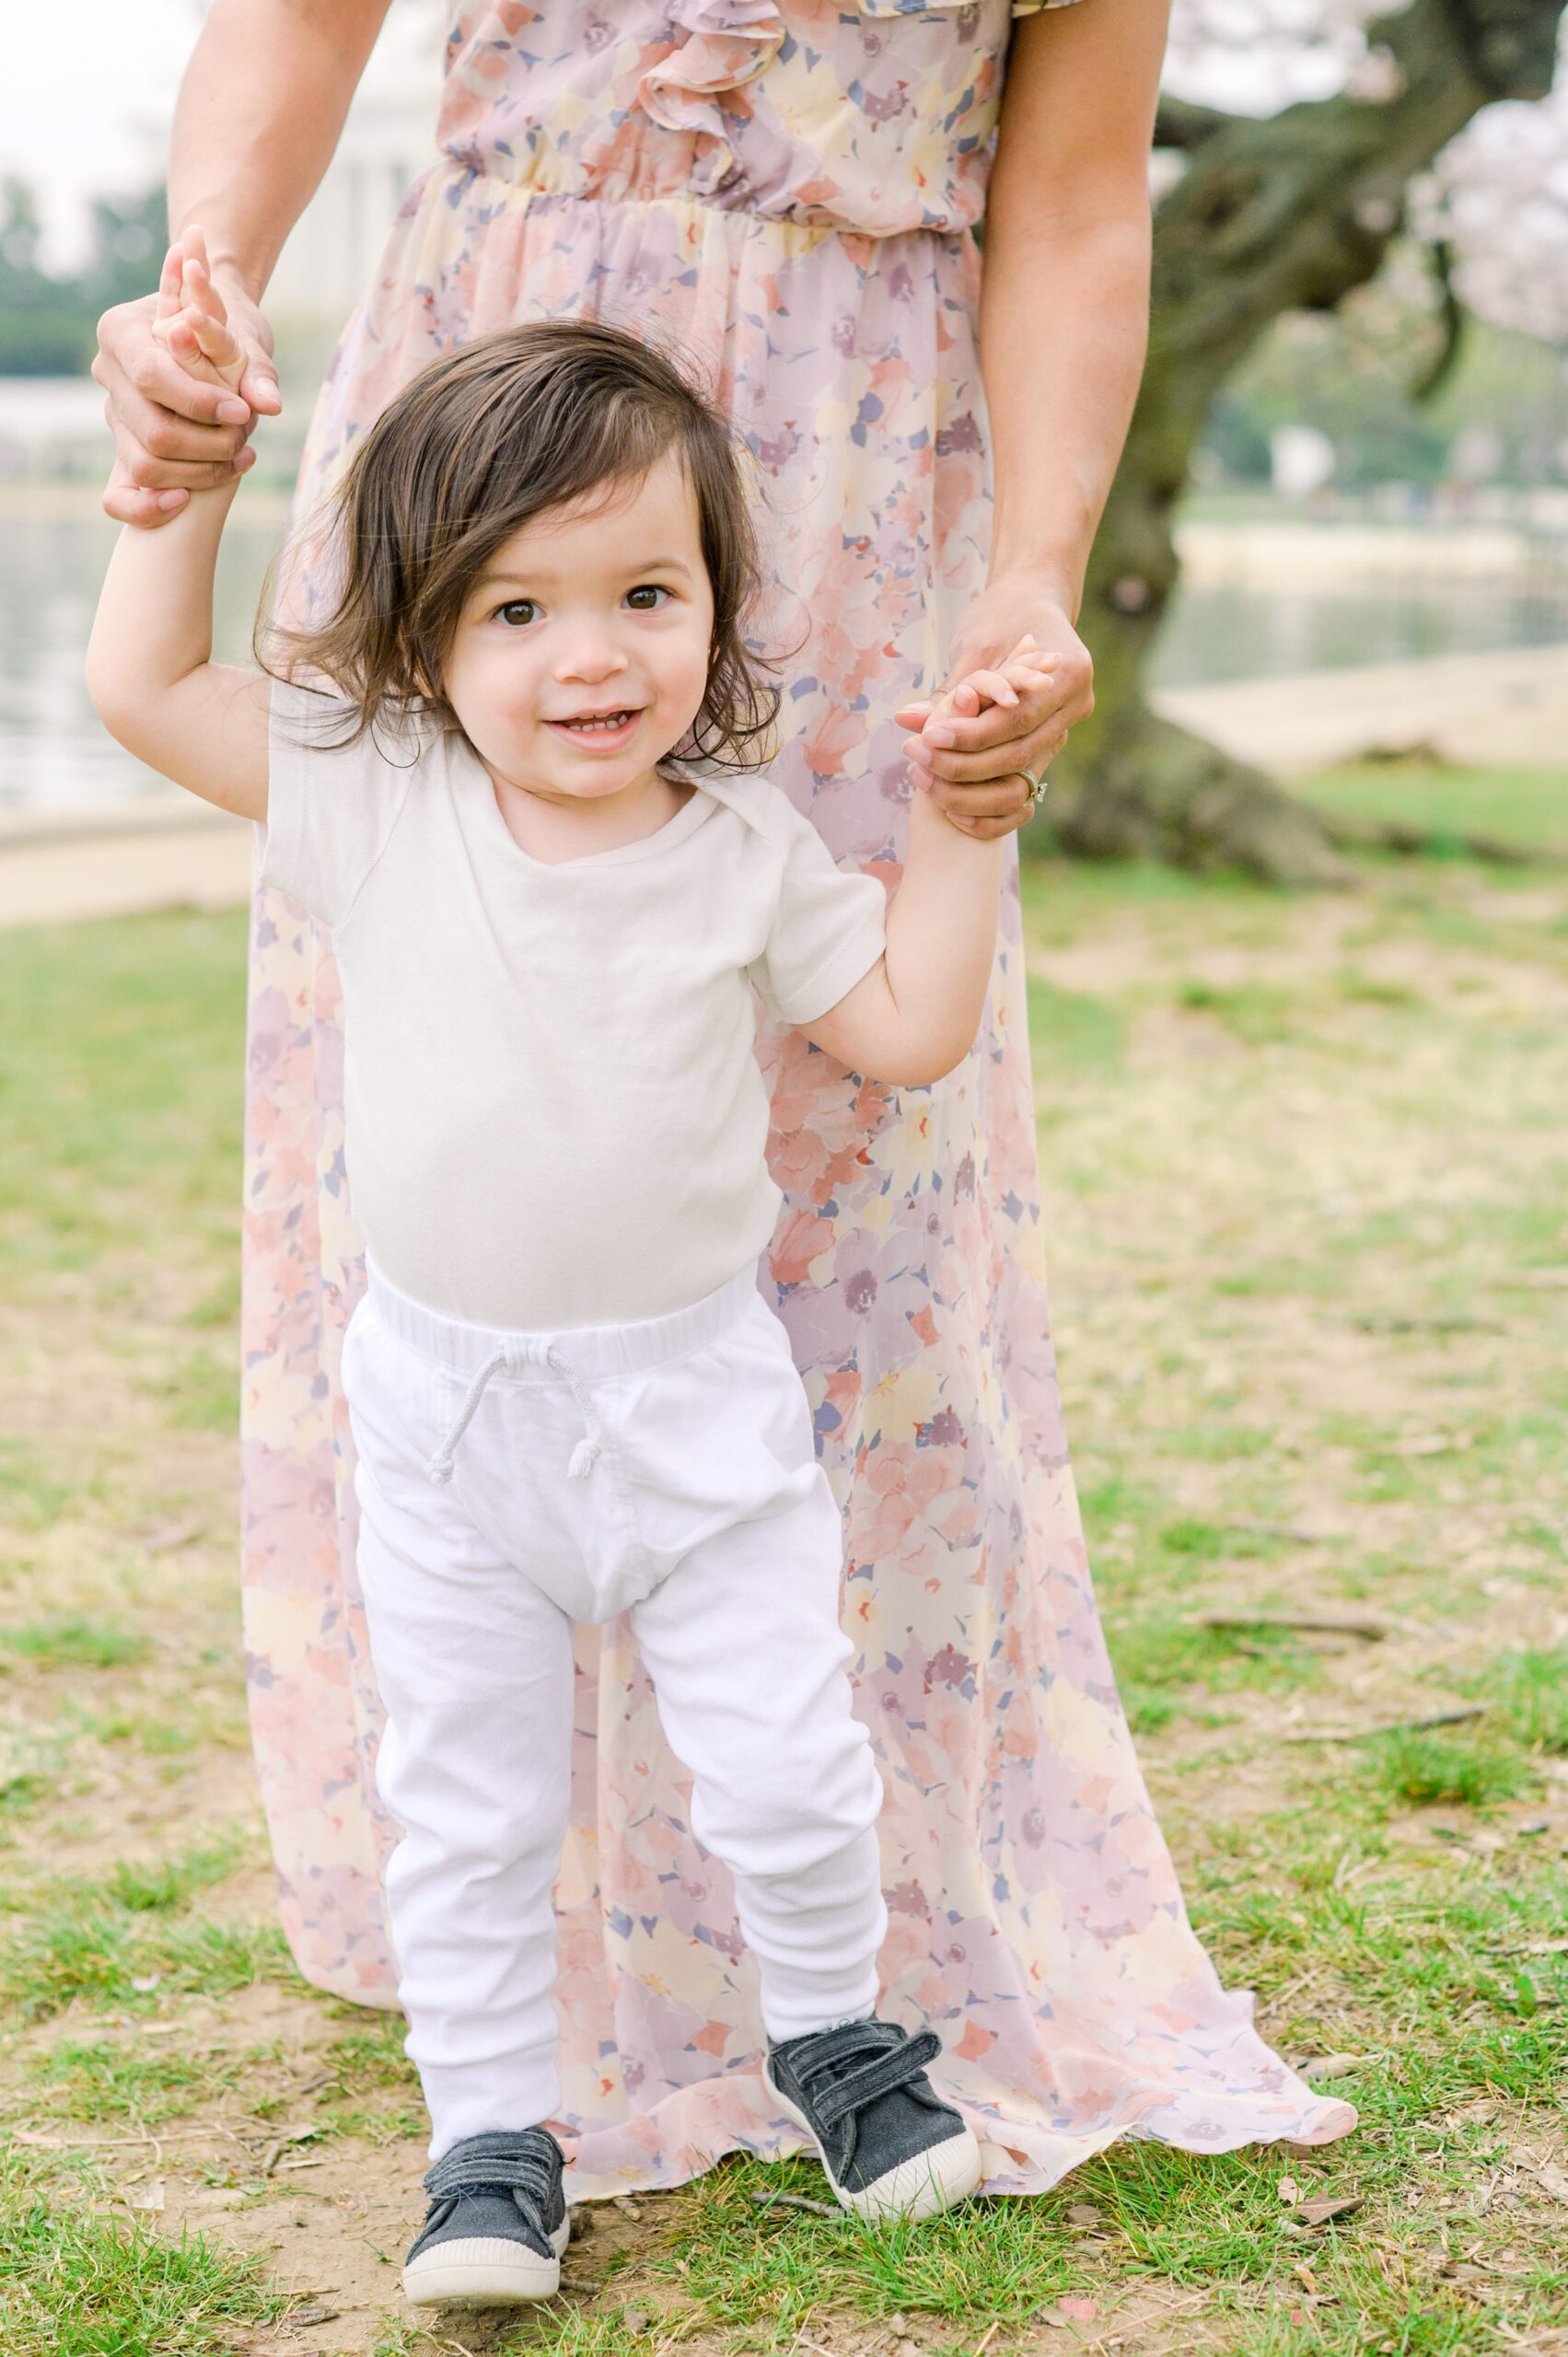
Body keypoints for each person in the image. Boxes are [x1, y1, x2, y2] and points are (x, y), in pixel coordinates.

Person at [95, 1, 1356, 2193]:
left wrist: (1035, 572)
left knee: (855, 1195)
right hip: (477, 404)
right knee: (447, 1080)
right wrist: (202, 281)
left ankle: (820, 1947)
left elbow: (1069, 197)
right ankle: (512, 1964)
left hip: (853, 470)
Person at [89, 256, 1070, 2300]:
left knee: (792, 1752)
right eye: (515, 609)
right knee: (466, 1794)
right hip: (449, 1419)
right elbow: (142, 690)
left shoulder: (739, 845)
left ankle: (839, 2041)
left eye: (645, 592)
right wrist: (174, 480)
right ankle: (487, 2139)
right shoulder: (377, 800)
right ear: (428, 637)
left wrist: (965, 821)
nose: (589, 655)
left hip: (695, 1398)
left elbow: (903, 1027)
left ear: (714, 604)